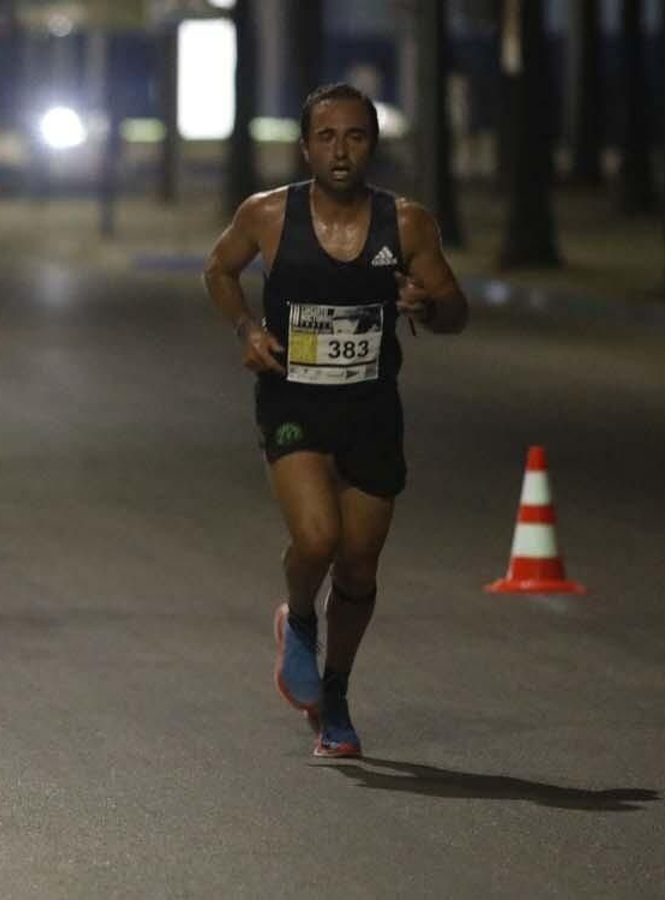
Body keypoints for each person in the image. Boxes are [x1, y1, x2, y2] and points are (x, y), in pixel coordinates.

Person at [201, 84, 469, 758]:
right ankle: (297, 621)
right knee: (316, 540)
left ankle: (337, 694)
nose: (340, 150)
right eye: (326, 137)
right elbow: (219, 269)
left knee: (357, 566)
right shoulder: (267, 215)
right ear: (305, 146)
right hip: (293, 399)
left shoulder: (405, 225)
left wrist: (427, 306)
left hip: (372, 408)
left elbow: (455, 308)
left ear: (372, 143)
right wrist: (245, 328)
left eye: (354, 136)